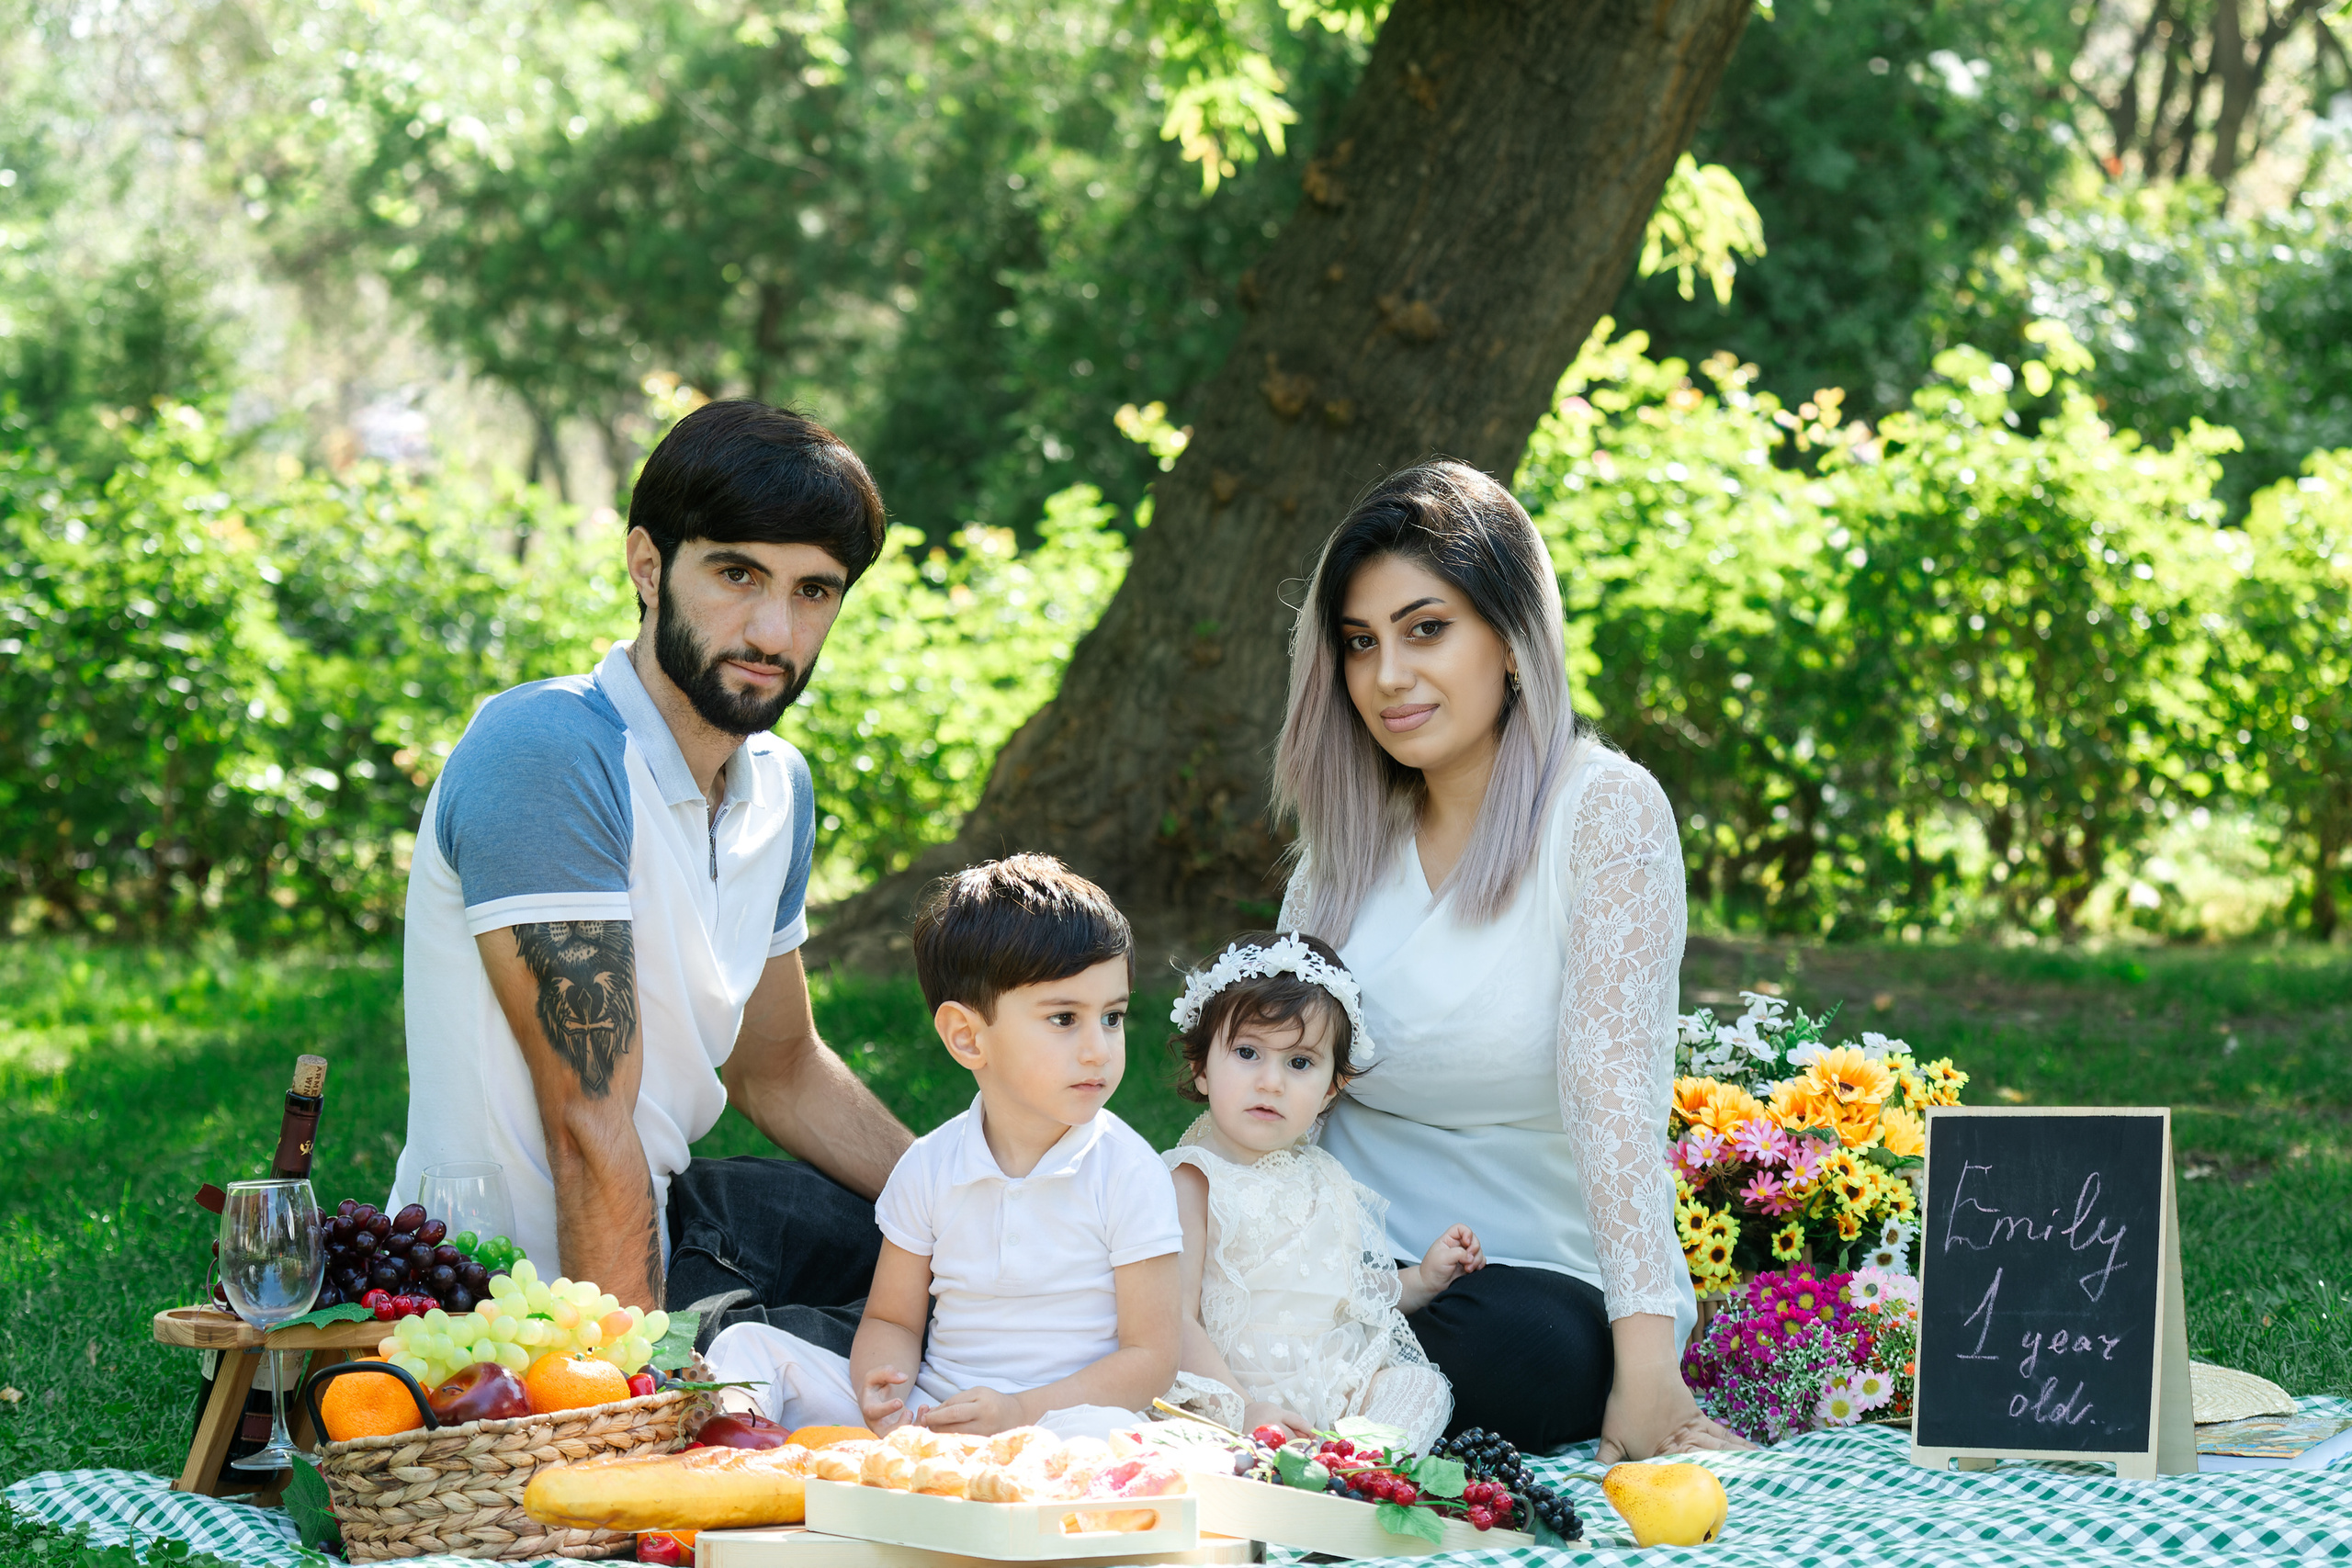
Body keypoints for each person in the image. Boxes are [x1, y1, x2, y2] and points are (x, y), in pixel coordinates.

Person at [391, 400, 913, 1352]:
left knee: (988, 1285)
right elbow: (590, 1127)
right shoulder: (550, 752)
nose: (772, 630)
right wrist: (619, 1400)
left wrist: (982, 1208)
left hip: (684, 1231)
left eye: (813, 591)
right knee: (895, 1367)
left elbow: (780, 1066)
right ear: (647, 566)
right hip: (523, 1299)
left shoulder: (776, 787)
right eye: (737, 573)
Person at [1270, 459, 1748, 1460]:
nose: (1388, 676)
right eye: (1359, 644)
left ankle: (1308, 1386)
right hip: (1352, 1269)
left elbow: (1614, 1088)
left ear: (1513, 640)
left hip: (1534, 1282)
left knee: (1521, 1353)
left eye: (1425, 628)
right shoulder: (1340, 854)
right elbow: (1275, 1085)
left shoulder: (1604, 813)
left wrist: (1649, 1370)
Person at [706, 855, 1182, 1439]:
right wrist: (883, 1384)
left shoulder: (1129, 1172)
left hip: (1071, 1419)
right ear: (966, 1036)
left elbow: (1151, 1361)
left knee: (1121, 1443)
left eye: (1113, 1017)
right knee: (745, 1347)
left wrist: (1021, 1413)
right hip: (939, 1410)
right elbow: (891, 1319)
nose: (1098, 1049)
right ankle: (742, 1465)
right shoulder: (930, 1166)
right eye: (1064, 1018)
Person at [1157, 931, 1477, 1453]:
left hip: (1335, 1384)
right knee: (1198, 1430)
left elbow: (1344, 1287)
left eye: (1299, 1063)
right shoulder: (1194, 1180)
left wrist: (1420, 1279)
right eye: (1246, 1052)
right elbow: (1174, 1316)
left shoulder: (1324, 1176)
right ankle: (1287, 1455)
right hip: (1235, 1390)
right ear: (1201, 1067)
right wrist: (1241, 1407)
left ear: (1332, 1086)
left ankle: (1355, 1460)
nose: (1271, 1082)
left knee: (1419, 1387)